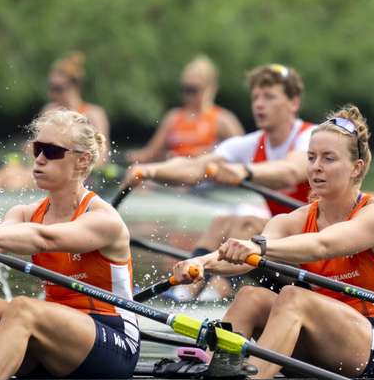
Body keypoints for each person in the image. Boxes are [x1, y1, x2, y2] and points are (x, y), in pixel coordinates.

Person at [171, 105, 374, 380]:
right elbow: (248, 252)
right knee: (250, 297)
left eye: (329, 159)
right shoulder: (295, 220)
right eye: (312, 157)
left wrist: (259, 248)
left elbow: (322, 245)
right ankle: (213, 370)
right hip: (320, 337)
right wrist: (202, 263)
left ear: (356, 168)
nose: (316, 167)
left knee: (293, 297)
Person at [0, 109, 139, 380]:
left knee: (22, 309)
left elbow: (44, 238)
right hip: (53, 336)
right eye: (38, 149)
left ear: (81, 161)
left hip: (113, 341)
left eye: (51, 151)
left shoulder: (103, 219)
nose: (38, 160)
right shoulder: (25, 213)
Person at [122, 64, 313, 299]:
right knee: (221, 223)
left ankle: (201, 290)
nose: (259, 104)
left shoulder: (310, 137)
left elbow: (291, 171)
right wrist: (150, 171)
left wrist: (244, 171)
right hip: (282, 246)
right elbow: (196, 167)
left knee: (244, 226)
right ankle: (187, 291)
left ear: (293, 103)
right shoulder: (250, 143)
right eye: (255, 97)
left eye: (269, 97)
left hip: (315, 251)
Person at [0, 52, 110, 192]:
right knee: (4, 174)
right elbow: (36, 148)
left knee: (14, 181)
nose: (52, 95)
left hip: (74, 175)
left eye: (58, 89)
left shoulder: (94, 114)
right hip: (45, 167)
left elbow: (101, 158)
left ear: (76, 86)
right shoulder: (49, 110)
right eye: (51, 88)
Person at [126, 56, 243, 163]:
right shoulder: (172, 118)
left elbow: (242, 155)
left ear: (211, 88)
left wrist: (207, 153)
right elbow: (149, 154)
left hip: (207, 179)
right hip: (176, 178)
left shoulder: (224, 120)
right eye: (185, 89)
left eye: (193, 89)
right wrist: (133, 157)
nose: (188, 95)